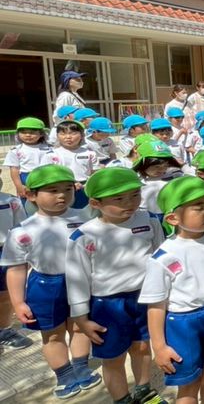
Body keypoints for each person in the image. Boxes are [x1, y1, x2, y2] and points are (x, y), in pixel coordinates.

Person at [66, 167, 167, 404]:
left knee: (142, 347)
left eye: (135, 195)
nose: (130, 203)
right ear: (95, 203)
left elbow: (161, 257)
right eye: (119, 199)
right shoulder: (84, 235)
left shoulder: (149, 220)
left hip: (144, 298)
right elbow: (77, 278)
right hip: (107, 305)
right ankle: (121, 399)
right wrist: (81, 318)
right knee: (113, 358)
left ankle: (145, 392)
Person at [1, 165, 100, 397]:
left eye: (67, 189)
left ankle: (81, 367)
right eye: (53, 190)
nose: (62, 195)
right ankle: (64, 375)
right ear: (30, 195)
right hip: (46, 286)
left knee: (80, 326)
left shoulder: (84, 218)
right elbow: (16, 269)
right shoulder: (22, 231)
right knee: (52, 334)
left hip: (81, 282)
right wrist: (18, 303)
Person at [140, 176, 204, 404]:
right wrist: (159, 346)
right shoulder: (164, 256)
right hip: (183, 323)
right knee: (189, 382)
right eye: (198, 207)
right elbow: (156, 305)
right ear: (173, 218)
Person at [0, 171, 32, 351]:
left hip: (5, 252)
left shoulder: (10, 201)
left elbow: (21, 227)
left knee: (5, 294)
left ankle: (4, 330)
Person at [42, 121, 98, 212]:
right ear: (57, 136)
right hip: (61, 189)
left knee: (85, 213)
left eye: (73, 133)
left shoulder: (90, 153)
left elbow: (94, 173)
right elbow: (47, 175)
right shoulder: (51, 154)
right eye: (63, 134)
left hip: (85, 188)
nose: (68, 137)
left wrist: (88, 184)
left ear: (82, 135)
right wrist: (69, 184)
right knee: (64, 213)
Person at [5, 117, 51, 200]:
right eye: (23, 132)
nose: (28, 135)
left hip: (48, 177)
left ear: (41, 134)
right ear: (18, 134)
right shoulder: (15, 151)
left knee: (47, 200)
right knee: (27, 202)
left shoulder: (50, 148)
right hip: (26, 178)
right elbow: (14, 170)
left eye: (32, 132)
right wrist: (19, 186)